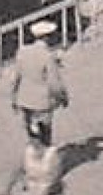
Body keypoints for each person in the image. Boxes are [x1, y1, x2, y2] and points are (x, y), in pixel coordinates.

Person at [10, 19, 70, 147]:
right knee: (45, 135)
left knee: (32, 135)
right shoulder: (47, 56)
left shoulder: (22, 52)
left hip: (25, 101)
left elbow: (15, 78)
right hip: (42, 104)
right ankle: (45, 161)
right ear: (47, 38)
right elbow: (54, 83)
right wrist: (63, 98)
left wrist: (13, 99)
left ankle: (32, 158)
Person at [4, 115, 64, 195]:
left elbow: (56, 180)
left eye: (36, 137)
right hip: (29, 192)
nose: (33, 140)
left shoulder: (53, 154)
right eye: (31, 136)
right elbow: (18, 171)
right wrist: (7, 190)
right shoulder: (28, 150)